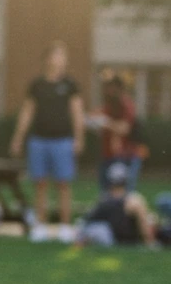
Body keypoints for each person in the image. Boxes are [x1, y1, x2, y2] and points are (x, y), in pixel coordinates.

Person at [10, 40, 84, 243]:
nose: (61, 60)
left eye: (64, 56)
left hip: (63, 141)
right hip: (39, 141)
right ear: (48, 59)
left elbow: (77, 113)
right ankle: (40, 225)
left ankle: (65, 226)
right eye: (57, 55)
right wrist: (18, 137)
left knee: (63, 184)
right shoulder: (37, 85)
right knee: (40, 184)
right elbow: (27, 112)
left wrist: (79, 138)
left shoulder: (70, 85)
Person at [76, 161, 155, 247]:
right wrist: (150, 242)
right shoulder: (133, 201)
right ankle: (150, 243)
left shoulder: (103, 200)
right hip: (117, 239)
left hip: (105, 237)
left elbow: (88, 219)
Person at [91, 71, 142, 191]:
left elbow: (125, 128)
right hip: (108, 155)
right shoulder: (107, 106)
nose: (109, 90)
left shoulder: (127, 105)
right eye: (107, 87)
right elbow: (95, 119)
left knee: (125, 193)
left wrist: (106, 123)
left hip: (127, 156)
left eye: (112, 86)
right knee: (106, 193)